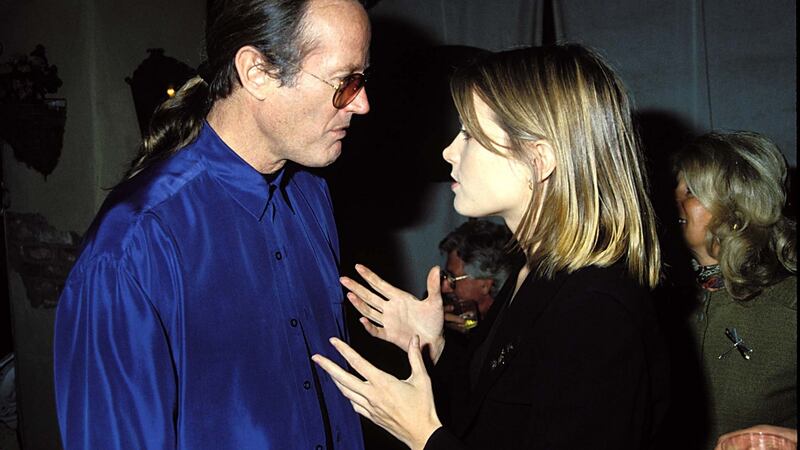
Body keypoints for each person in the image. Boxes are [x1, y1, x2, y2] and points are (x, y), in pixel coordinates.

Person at [312, 44, 668, 450]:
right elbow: (494, 413)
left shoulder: (596, 309)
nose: (449, 151)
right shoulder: (533, 271)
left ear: (539, 159)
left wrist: (423, 436)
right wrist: (435, 344)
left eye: (470, 134)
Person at [53, 0, 370, 448]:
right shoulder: (133, 244)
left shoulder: (310, 194)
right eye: (345, 82)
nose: (362, 104)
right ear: (256, 72)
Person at [671, 131, 796, 450]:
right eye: (678, 186)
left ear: (737, 209)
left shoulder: (790, 307)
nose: (676, 197)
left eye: (692, 191)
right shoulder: (664, 299)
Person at [438, 219, 518, 335]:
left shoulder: (509, 330)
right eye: (445, 276)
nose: (444, 288)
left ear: (485, 285)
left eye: (452, 278)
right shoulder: (449, 314)